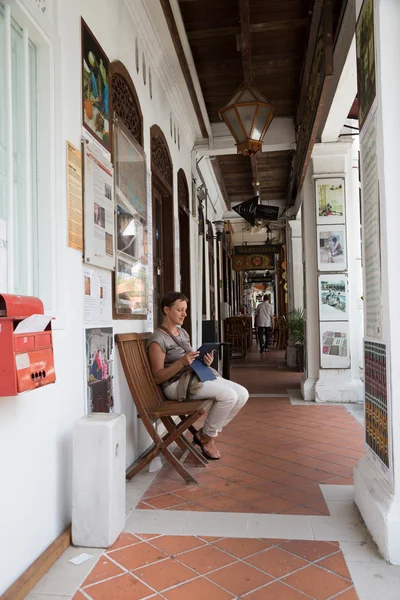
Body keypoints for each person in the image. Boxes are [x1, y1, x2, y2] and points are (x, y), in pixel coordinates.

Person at [147, 291, 249, 460]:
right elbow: (158, 377)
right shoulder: (158, 339)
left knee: (242, 394)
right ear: (166, 310)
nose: (184, 314)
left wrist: (204, 361)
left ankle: (205, 434)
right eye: (180, 310)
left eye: (185, 309)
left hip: (193, 377)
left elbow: (189, 360)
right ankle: (207, 437)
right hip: (176, 386)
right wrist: (181, 363)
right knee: (228, 396)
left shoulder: (183, 333)